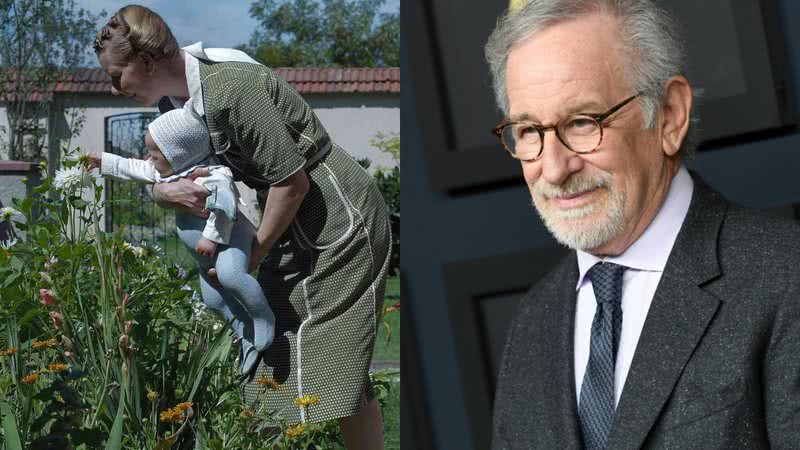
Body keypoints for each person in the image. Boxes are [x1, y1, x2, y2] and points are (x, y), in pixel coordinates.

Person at [484, 0, 800, 448]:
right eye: (529, 131)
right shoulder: (533, 321)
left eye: (581, 122)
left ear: (670, 115)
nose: (553, 169)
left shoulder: (787, 276)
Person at [93, 5, 391, 449]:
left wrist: (252, 257)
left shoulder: (231, 89)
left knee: (334, 362)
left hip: (338, 221)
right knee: (274, 353)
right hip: (292, 225)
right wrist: (162, 193)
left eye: (117, 76)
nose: (115, 89)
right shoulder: (178, 105)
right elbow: (173, 175)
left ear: (146, 62)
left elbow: (292, 181)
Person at [86, 102, 275, 377]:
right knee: (213, 300)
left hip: (230, 241)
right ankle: (245, 332)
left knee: (232, 276)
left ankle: (262, 317)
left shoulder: (213, 176)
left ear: (178, 153)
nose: (149, 159)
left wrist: (211, 238)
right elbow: (133, 167)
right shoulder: (170, 172)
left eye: (154, 153)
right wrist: (103, 160)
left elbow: (226, 209)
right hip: (205, 257)